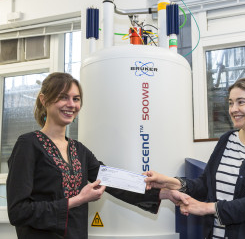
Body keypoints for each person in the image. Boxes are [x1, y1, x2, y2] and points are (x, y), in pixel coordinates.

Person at [6, 72, 187, 239]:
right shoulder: (28, 145)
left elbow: (116, 182)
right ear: (44, 100)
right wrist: (77, 200)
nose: (71, 104)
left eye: (76, 99)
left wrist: (165, 193)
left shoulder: (79, 151)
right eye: (63, 97)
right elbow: (18, 211)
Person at [145, 76, 245, 239]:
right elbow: (205, 185)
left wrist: (207, 208)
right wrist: (170, 182)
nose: (233, 109)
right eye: (231, 103)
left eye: (241, 102)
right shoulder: (227, 139)